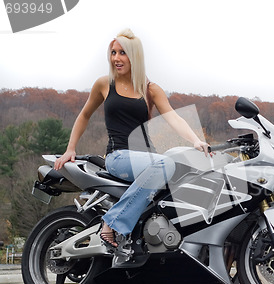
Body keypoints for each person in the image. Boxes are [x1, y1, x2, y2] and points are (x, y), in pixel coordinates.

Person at [54, 28, 210, 249]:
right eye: (113, 52)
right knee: (166, 164)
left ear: (135, 56)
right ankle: (113, 222)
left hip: (148, 160)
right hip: (118, 157)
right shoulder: (104, 84)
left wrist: (196, 140)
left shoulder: (150, 90)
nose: (116, 58)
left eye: (122, 53)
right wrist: (71, 148)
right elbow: (84, 115)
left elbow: (173, 118)